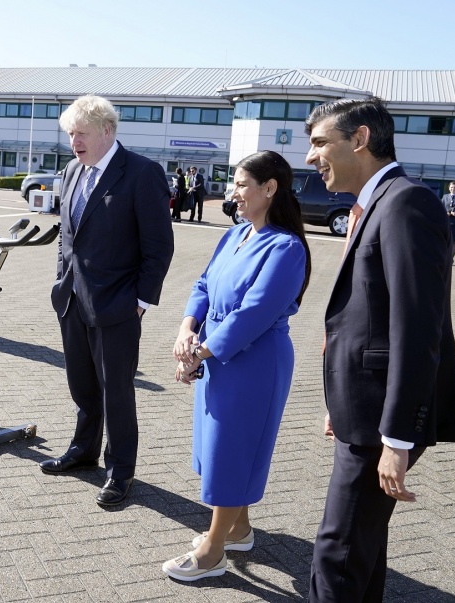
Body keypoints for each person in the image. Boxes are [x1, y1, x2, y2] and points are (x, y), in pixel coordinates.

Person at [304, 97, 455, 603]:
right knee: (361, 547)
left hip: (381, 418)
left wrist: (397, 437)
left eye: (319, 143)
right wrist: (339, 402)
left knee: (338, 550)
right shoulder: (377, 202)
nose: (310, 158)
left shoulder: (405, 203)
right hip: (362, 408)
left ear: (360, 140)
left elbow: (419, 330)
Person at [161, 150, 311, 582]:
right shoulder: (237, 234)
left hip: (255, 366)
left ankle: (212, 552)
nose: (233, 193)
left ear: (270, 188)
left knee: (232, 452)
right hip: (217, 357)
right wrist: (186, 329)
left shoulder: (286, 247)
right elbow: (204, 283)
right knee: (217, 447)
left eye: (241, 184)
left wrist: (199, 352)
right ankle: (238, 528)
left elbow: (254, 313)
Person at [38, 95, 174, 507]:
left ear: (107, 131)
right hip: (72, 298)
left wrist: (142, 301)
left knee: (116, 390)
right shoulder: (71, 171)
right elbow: (67, 235)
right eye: (69, 135)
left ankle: (120, 471)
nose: (73, 142)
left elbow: (159, 245)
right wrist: (60, 281)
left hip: (117, 304)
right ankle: (84, 452)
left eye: (80, 133)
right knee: (81, 385)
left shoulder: (141, 173)